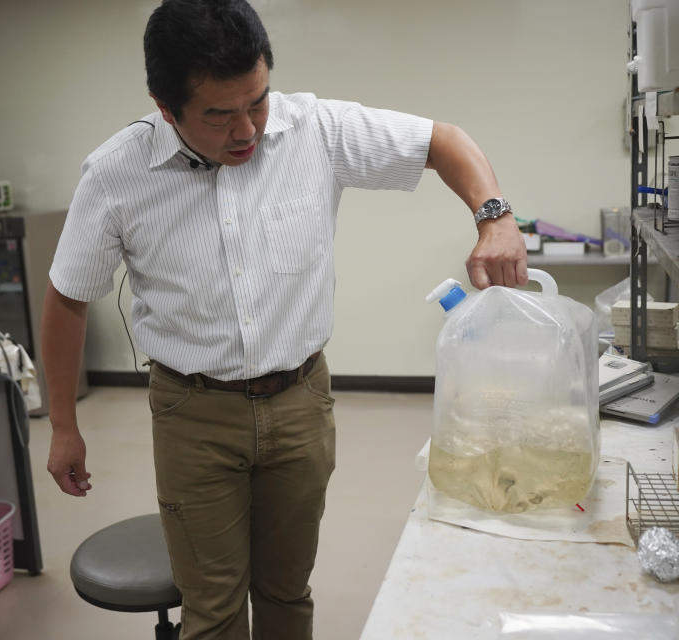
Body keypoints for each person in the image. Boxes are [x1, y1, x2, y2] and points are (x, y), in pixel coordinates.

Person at [42, 0, 527, 638]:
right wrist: (63, 426)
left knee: (286, 594)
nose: (246, 129)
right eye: (219, 114)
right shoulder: (116, 173)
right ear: (166, 107)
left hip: (300, 401)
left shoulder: (315, 129)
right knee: (213, 612)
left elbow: (444, 142)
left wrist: (494, 214)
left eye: (258, 101)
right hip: (194, 413)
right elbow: (68, 298)